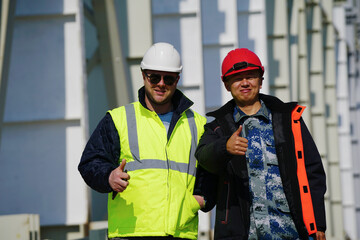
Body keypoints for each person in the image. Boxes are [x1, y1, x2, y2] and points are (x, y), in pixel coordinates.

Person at [78, 42, 207, 240]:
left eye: (169, 78)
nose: (161, 84)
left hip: (180, 234)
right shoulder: (118, 119)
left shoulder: (197, 124)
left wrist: (201, 200)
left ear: (177, 79)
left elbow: (212, 173)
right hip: (130, 233)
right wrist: (108, 177)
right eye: (154, 77)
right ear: (143, 75)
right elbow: (89, 163)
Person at [194, 48, 327, 240]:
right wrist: (225, 147)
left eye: (251, 76)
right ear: (226, 84)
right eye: (237, 78)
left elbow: (313, 171)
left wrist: (318, 223)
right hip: (242, 234)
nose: (245, 82)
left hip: (292, 233)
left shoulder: (289, 119)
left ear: (261, 79)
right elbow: (204, 157)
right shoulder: (216, 128)